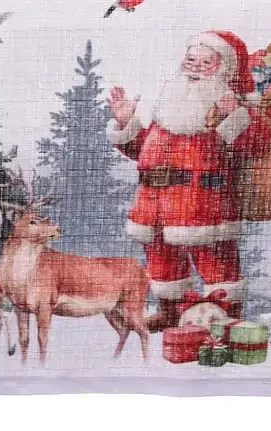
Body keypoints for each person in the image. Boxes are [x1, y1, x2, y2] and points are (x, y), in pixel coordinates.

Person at [106, 30, 262, 327]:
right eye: (190, 60)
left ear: (224, 70)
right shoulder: (168, 111)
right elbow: (143, 152)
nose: (194, 68)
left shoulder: (231, 109)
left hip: (203, 204)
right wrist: (126, 122)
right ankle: (170, 314)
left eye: (205, 63)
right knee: (162, 261)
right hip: (153, 205)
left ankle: (226, 321)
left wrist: (233, 115)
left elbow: (254, 146)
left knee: (216, 264)